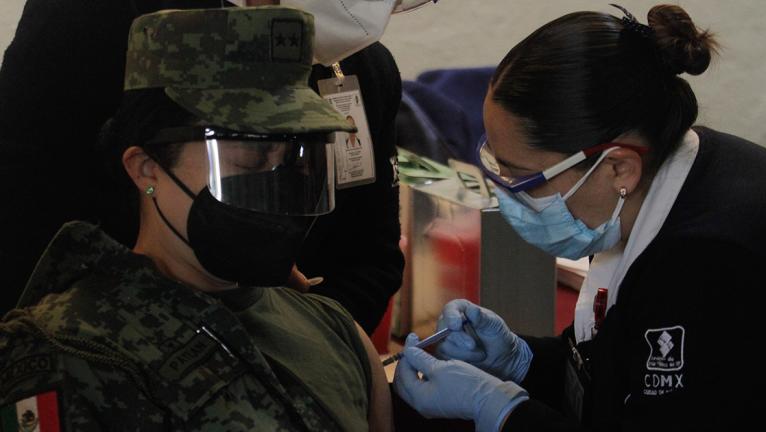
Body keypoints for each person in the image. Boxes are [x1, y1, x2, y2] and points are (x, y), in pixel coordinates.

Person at [0, 7, 392, 430]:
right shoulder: (71, 358)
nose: (276, 184)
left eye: (297, 157)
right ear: (145, 168)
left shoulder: (330, 328)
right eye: (251, 156)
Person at [393, 4, 766, 431]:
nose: (509, 194)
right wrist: (522, 359)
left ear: (617, 167)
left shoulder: (709, 261)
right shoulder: (636, 194)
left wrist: (502, 412)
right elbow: (617, 372)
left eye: (523, 178)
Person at [0, 0, 440, 334]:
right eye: (250, 153)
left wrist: (308, 349)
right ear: (143, 168)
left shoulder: (360, 70)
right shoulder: (95, 22)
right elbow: (24, 219)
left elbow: (370, 257)